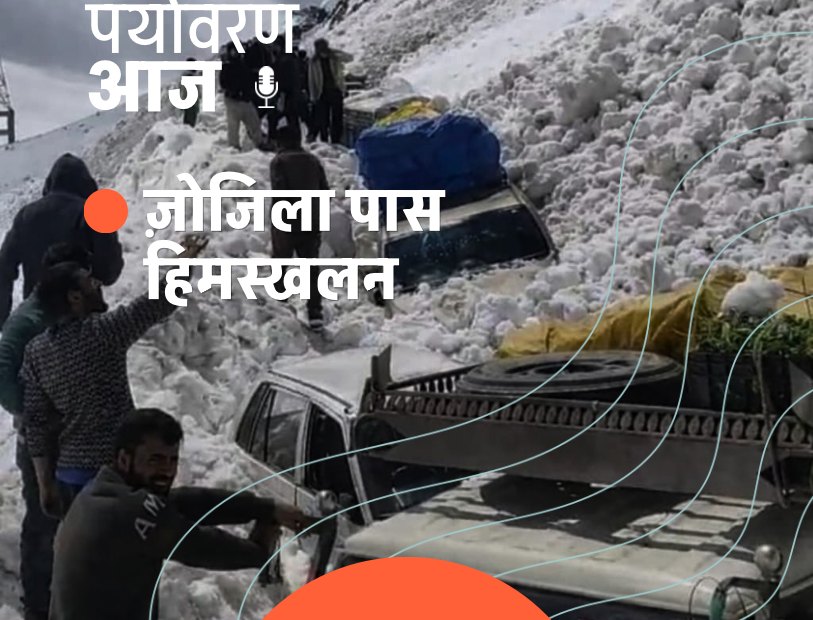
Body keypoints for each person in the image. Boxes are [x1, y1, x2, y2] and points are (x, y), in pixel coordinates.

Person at [49, 408, 319, 620]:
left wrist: (265, 507)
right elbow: (199, 545)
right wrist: (259, 551)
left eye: (173, 460)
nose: (167, 471)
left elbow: (185, 502)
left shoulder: (101, 492)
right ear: (123, 459)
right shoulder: (128, 511)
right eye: (155, 460)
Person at [22, 235, 208, 519]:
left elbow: (36, 423)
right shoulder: (102, 333)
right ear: (75, 297)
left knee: (82, 544)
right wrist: (184, 262)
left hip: (70, 476)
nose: (98, 284)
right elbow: (157, 303)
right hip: (115, 473)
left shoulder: (36, 351)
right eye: (90, 282)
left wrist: (45, 486)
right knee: (124, 543)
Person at [0, 243, 94, 620]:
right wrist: (39, 412)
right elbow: (4, 381)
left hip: (76, 439)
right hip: (43, 443)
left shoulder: (65, 314)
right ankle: (38, 604)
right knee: (44, 520)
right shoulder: (28, 323)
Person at [0, 153, 124, 326]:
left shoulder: (26, 216)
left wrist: (3, 317)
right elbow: (109, 272)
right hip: (81, 322)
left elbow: (4, 267)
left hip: (36, 319)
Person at [269, 124, 330, 331]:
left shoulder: (279, 162)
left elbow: (280, 192)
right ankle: (315, 314)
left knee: (280, 264)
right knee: (311, 268)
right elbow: (325, 191)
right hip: (310, 222)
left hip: (286, 222)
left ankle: (281, 307)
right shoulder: (313, 161)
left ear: (281, 142)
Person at [219, 42, 266, 151]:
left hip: (245, 99)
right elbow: (223, 83)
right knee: (233, 126)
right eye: (233, 50)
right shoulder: (227, 66)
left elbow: (249, 79)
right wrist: (233, 90)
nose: (236, 52)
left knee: (254, 121)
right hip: (232, 100)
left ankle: (259, 142)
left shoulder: (243, 63)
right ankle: (234, 147)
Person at [307, 38, 354, 144]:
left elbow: (349, 58)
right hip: (321, 92)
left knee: (337, 117)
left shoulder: (334, 57)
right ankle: (324, 138)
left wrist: (335, 51)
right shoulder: (314, 61)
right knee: (323, 119)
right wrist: (313, 96)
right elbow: (311, 79)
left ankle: (335, 139)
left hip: (336, 90)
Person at [181, 58, 201, 128]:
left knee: (188, 124)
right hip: (191, 104)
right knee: (190, 124)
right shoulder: (190, 76)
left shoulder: (188, 76)